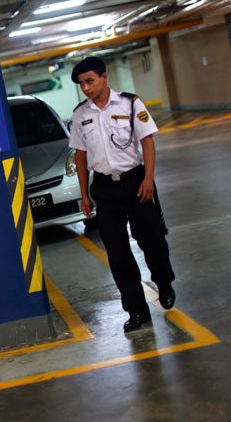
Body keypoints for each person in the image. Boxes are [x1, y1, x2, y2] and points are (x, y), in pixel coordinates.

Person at [69, 56, 176, 333]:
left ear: (104, 77)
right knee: (117, 254)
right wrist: (84, 194)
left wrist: (149, 178)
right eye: (82, 84)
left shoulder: (130, 103)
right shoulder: (81, 114)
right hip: (104, 189)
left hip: (135, 183)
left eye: (90, 81)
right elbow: (80, 157)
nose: (86, 88)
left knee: (151, 241)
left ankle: (163, 282)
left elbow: (147, 142)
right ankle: (136, 310)